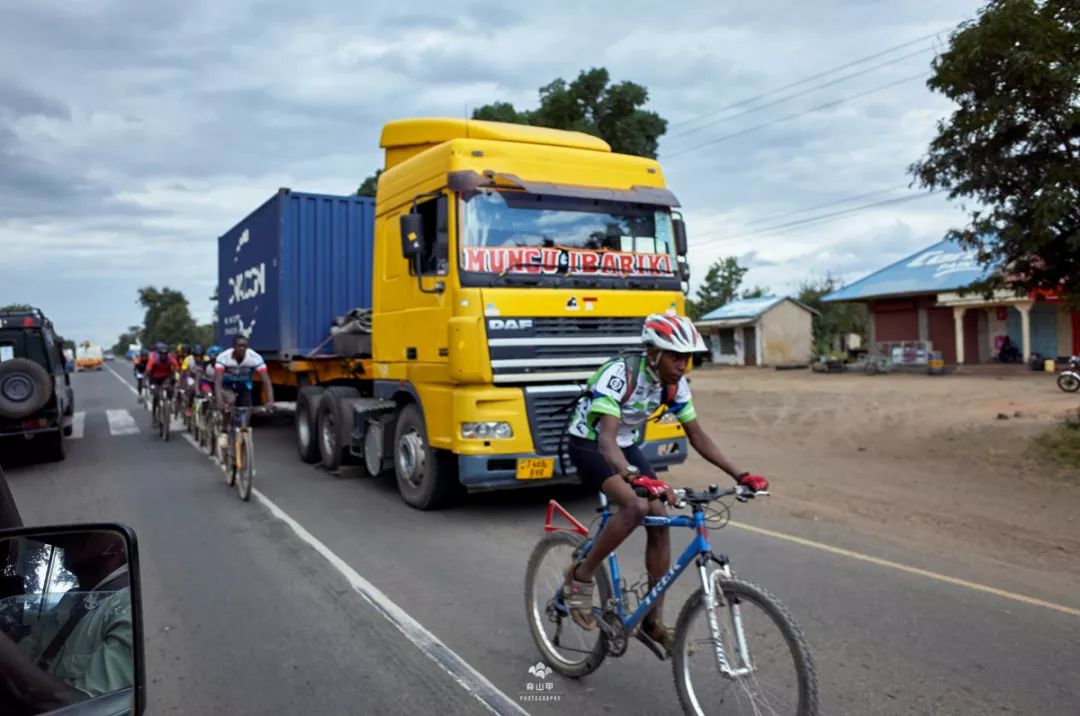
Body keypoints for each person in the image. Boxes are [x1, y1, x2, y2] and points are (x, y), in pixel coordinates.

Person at [561, 312, 769, 655]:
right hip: (590, 443)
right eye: (675, 356)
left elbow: (697, 436)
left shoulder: (674, 384)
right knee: (636, 505)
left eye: (688, 357)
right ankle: (580, 576)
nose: (683, 365)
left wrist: (741, 475)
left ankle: (652, 622)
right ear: (652, 352)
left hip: (625, 445)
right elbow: (607, 440)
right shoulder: (620, 374)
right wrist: (633, 476)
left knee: (659, 516)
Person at [0, 532, 133, 712]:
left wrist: (6, 651)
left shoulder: (128, 605)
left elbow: (92, 709)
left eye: (87, 532)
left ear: (122, 545)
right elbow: (29, 652)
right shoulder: (71, 598)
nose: (75, 535)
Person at [214, 336, 274, 438]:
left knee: (247, 409)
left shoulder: (255, 358)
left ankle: (243, 432)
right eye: (239, 346)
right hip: (226, 385)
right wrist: (219, 401)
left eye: (244, 346)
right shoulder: (223, 357)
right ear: (234, 347)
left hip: (243, 386)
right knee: (231, 400)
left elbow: (267, 381)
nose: (242, 348)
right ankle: (224, 431)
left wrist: (270, 401)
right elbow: (218, 381)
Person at [144, 342, 179, 423]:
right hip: (155, 378)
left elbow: (177, 368)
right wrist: (144, 381)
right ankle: (154, 415)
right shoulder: (153, 358)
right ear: (159, 354)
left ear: (167, 354)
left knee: (170, 388)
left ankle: (169, 404)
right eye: (162, 354)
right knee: (156, 396)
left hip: (166, 377)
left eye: (165, 354)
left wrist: (177, 375)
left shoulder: (170, 357)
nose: (163, 356)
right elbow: (147, 371)